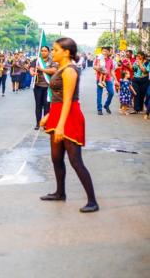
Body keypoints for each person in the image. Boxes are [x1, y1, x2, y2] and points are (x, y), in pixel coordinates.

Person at [39, 37, 98, 213]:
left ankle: (92, 201)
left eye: (56, 50)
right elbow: (58, 97)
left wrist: (60, 125)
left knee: (75, 161)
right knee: (56, 158)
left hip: (69, 116)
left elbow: (68, 100)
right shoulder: (61, 68)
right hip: (58, 114)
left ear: (66, 52)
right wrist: (49, 116)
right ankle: (60, 193)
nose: (53, 53)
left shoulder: (70, 71)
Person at [30, 46, 57, 130]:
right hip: (37, 86)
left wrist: (41, 69)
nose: (43, 52)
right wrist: (32, 72)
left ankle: (45, 123)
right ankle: (38, 123)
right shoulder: (37, 60)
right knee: (38, 105)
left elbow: (54, 70)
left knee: (46, 106)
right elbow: (31, 69)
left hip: (48, 86)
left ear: (48, 52)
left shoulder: (52, 61)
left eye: (45, 51)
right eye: (42, 51)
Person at [93, 46, 115, 115]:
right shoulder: (98, 58)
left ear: (108, 52)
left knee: (111, 93)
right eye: (103, 51)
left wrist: (116, 80)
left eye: (106, 51)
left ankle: (106, 105)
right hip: (99, 79)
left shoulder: (110, 60)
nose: (104, 53)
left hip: (108, 79)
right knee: (99, 94)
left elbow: (111, 70)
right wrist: (102, 71)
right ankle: (99, 109)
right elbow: (94, 67)